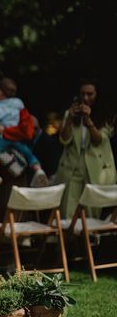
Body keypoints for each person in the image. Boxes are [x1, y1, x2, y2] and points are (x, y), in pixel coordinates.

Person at [55, 79, 116, 218]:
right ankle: (70, 237)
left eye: (90, 94)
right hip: (73, 164)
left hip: (96, 166)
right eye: (82, 94)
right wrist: (70, 119)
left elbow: (98, 140)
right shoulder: (70, 113)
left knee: (91, 209)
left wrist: (88, 120)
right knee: (69, 206)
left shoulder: (107, 115)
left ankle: (89, 238)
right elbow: (64, 139)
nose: (85, 98)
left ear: (98, 95)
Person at [0, 76, 47, 189]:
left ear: (0, 91)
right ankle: (38, 170)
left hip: (2, 138)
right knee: (28, 153)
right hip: (16, 139)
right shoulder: (19, 103)